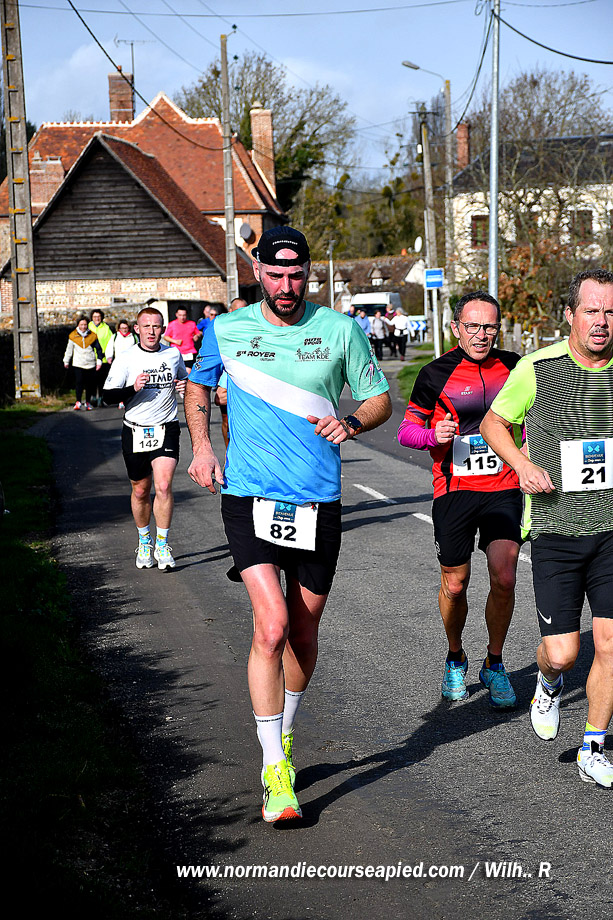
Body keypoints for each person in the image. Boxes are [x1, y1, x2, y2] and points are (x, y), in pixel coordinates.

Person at [185, 226, 392, 823]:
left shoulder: (340, 330)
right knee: (271, 626)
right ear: (257, 272)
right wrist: (202, 446)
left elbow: (379, 397)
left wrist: (352, 424)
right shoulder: (226, 329)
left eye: (295, 275)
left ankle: (285, 729)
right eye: (274, 275)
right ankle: (276, 768)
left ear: (308, 274)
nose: (285, 286)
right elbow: (198, 384)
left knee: (303, 632)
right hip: (248, 495)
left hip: (317, 501)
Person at [481, 268, 613, 788]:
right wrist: (521, 463)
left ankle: (593, 747)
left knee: (610, 644)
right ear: (570, 315)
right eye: (592, 311)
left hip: (611, 530)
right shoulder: (537, 368)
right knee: (564, 652)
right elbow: (494, 423)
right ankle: (548, 680)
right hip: (556, 529)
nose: (602, 322)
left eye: (610, 312)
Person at [398, 290, 522, 708]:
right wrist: (433, 435)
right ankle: (455, 656)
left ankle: (494, 663)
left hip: (503, 486)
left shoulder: (514, 366)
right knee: (455, 584)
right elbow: (406, 431)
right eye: (473, 326)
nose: (481, 334)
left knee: (505, 576)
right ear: (456, 328)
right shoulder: (435, 373)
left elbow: (534, 417)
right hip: (454, 489)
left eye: (489, 326)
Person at [103, 306, 188, 572]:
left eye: (156, 326)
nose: (151, 331)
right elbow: (107, 396)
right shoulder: (126, 358)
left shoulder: (172, 354)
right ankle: (144, 542)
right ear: (137, 329)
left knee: (163, 485)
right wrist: (133, 388)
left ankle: (162, 545)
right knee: (140, 491)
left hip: (166, 427)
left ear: (163, 329)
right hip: (135, 429)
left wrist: (184, 385)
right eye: (146, 326)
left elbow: (185, 380)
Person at [214, 297, 248, 448]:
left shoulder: (254, 328)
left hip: (248, 374)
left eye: (244, 310)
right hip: (226, 374)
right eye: (237, 311)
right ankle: (228, 452)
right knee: (226, 418)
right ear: (230, 311)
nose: (241, 314)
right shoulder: (222, 330)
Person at [63, 315, 103, 410]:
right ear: (78, 325)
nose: (83, 327)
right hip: (78, 363)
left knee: (89, 384)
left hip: (90, 363)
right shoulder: (73, 336)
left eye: (85, 325)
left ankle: (88, 402)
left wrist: (99, 361)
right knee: (79, 383)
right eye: (81, 325)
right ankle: (78, 402)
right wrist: (66, 361)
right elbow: (69, 350)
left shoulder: (93, 336)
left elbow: (98, 349)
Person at [163, 307, 202, 372]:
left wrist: (197, 336)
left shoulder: (191, 324)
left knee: (188, 371)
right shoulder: (172, 324)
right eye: (180, 315)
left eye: (184, 315)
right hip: (177, 351)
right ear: (176, 315)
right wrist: (175, 341)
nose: (182, 317)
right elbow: (166, 336)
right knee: (176, 371)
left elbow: (198, 333)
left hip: (189, 352)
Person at [88, 309, 113, 405]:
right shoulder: (88, 327)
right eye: (95, 317)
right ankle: (93, 397)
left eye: (98, 317)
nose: (97, 318)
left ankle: (101, 398)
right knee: (91, 380)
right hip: (91, 358)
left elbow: (110, 342)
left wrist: (109, 355)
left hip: (104, 358)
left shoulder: (106, 328)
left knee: (102, 380)